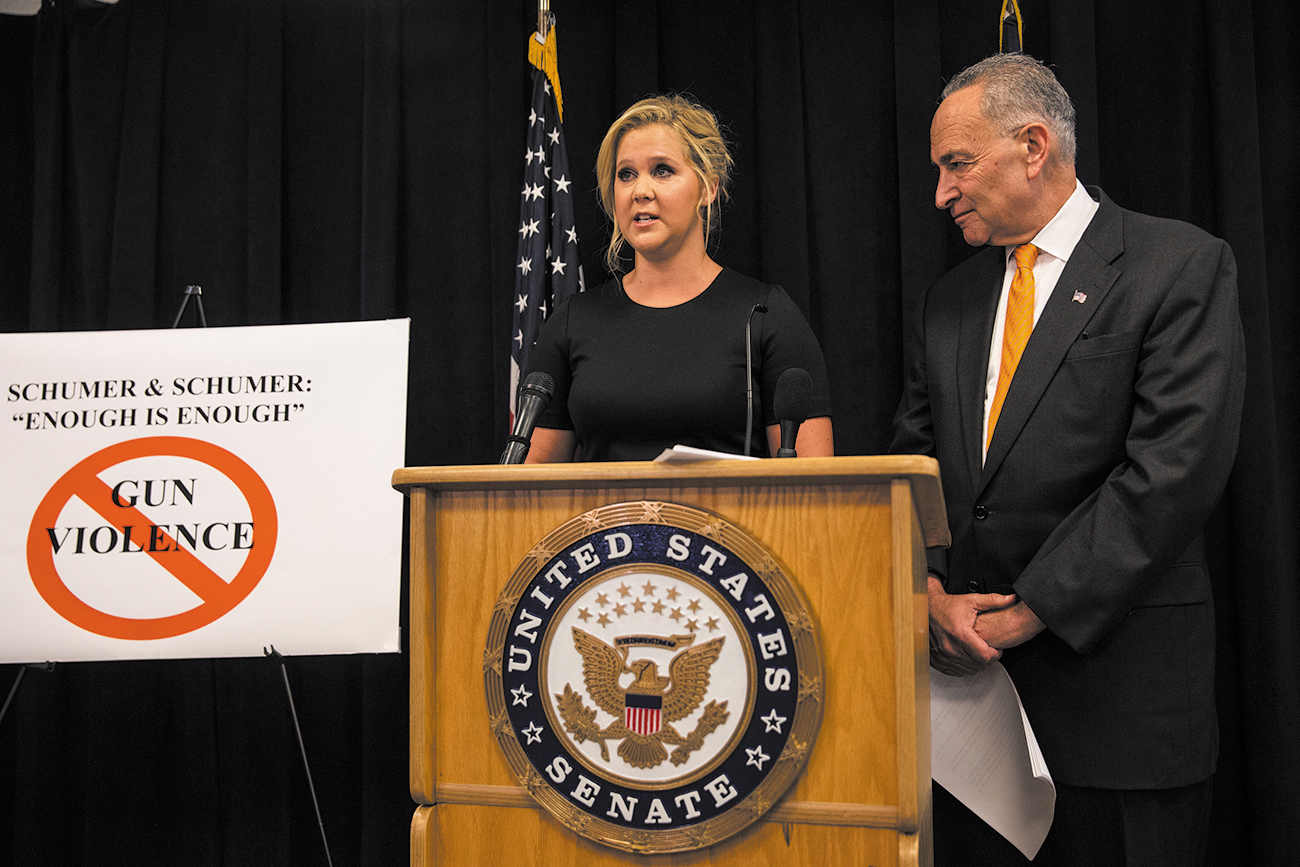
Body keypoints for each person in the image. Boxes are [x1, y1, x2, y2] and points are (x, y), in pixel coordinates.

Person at [890, 54, 1245, 864]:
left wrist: (1027, 610)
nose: (942, 192)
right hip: (972, 716)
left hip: (1123, 708)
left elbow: (1172, 471)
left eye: (958, 163)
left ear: (1034, 145)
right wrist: (931, 589)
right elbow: (916, 459)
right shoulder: (948, 301)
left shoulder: (1178, 265)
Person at [524, 95, 833, 462]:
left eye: (662, 170)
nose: (640, 191)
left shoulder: (767, 316)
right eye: (626, 175)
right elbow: (531, 494)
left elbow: (817, 490)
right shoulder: (572, 321)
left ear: (708, 188)